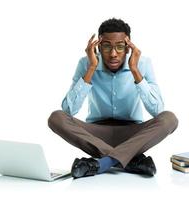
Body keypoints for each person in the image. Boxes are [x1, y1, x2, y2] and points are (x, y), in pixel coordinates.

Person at [48, 18, 178, 179]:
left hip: (133, 134)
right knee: (56, 118)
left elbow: (157, 111)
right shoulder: (86, 63)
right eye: (107, 46)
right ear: (99, 46)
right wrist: (91, 68)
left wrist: (135, 71)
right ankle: (129, 160)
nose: (113, 53)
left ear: (128, 47)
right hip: (96, 135)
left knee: (169, 119)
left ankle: (102, 163)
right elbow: (68, 111)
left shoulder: (142, 64)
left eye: (120, 46)